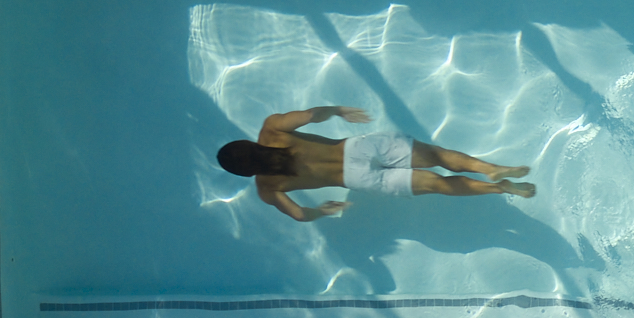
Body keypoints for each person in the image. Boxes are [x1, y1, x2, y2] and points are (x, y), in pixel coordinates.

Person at [215, 105, 532, 221]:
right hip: (360, 149)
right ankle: (490, 169)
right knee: (439, 157)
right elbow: (312, 115)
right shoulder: (272, 128)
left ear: (245, 171)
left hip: (357, 180)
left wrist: (324, 210)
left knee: (439, 185)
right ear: (247, 143)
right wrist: (337, 110)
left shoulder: (267, 188)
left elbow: (298, 214)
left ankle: (498, 189)